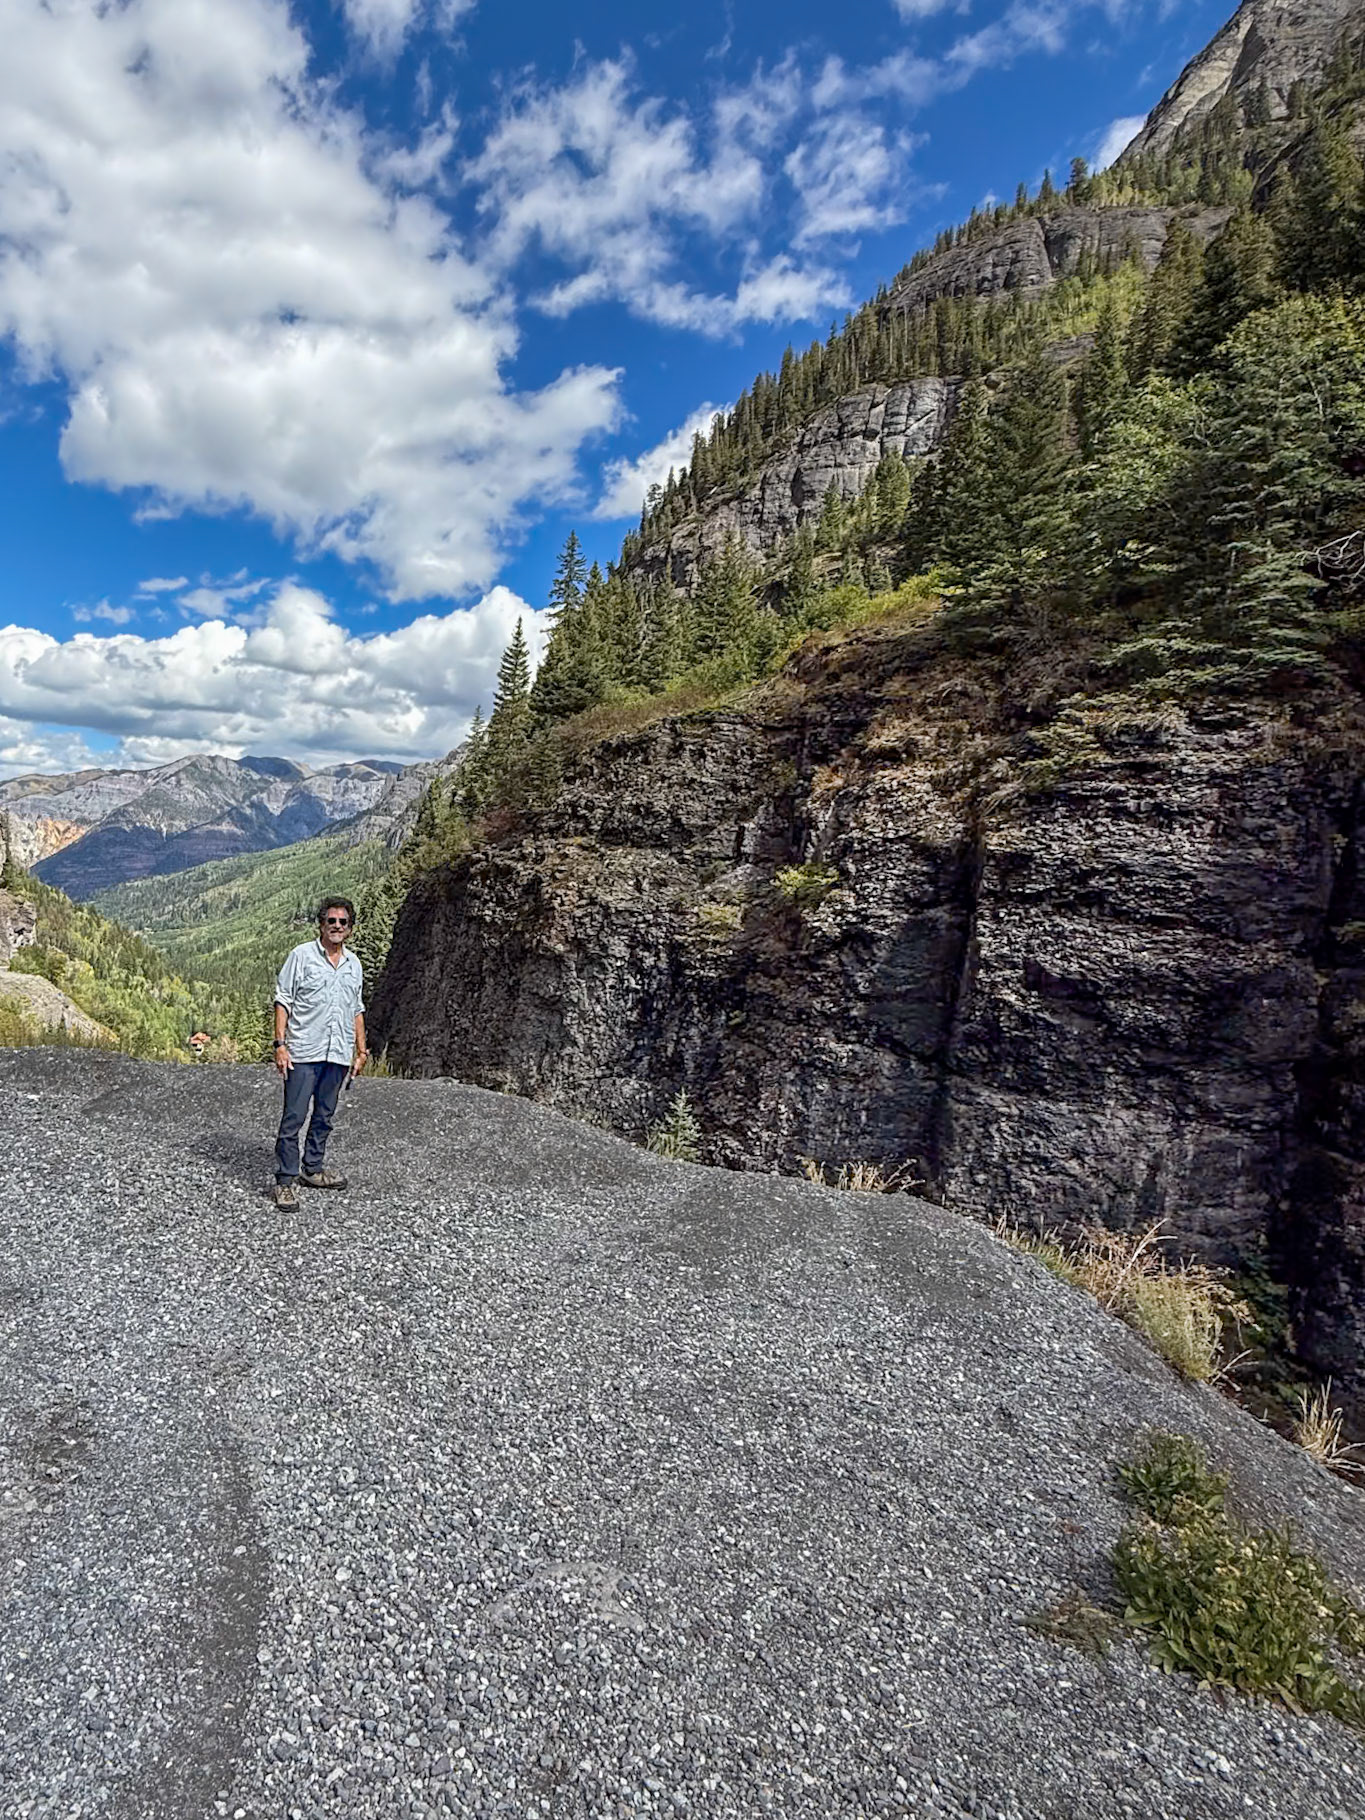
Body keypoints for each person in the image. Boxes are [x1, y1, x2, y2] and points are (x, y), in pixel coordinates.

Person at [270, 896, 367, 1209]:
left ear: (350, 929)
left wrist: (361, 1049)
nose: (337, 926)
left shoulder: (354, 965)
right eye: (331, 921)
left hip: (337, 1054)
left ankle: (312, 1169)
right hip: (303, 1051)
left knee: (324, 1116)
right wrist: (280, 1045)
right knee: (293, 1117)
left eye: (343, 922)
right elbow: (283, 1000)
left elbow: (356, 1008)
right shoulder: (301, 956)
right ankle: (285, 1180)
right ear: (321, 924)